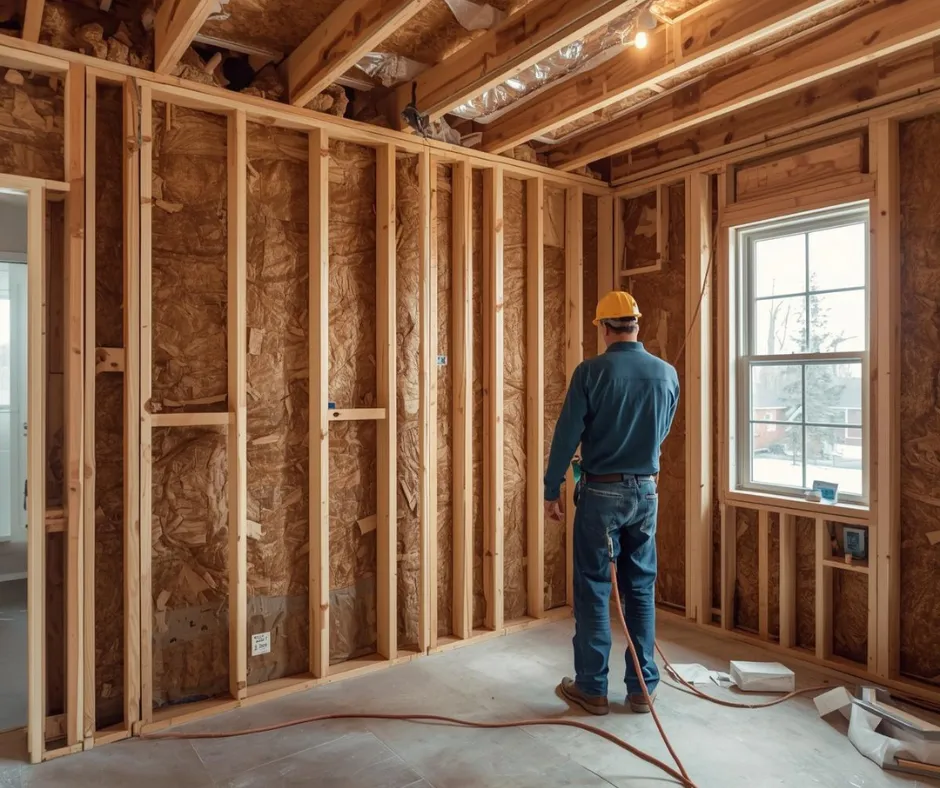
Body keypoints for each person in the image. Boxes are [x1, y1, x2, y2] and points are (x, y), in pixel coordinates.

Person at [544, 290, 679, 716]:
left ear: (604, 328)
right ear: (636, 325)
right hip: (646, 492)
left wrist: (552, 487)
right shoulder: (667, 374)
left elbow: (567, 435)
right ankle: (642, 689)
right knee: (639, 589)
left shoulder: (591, 373)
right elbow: (661, 431)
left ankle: (592, 688)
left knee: (594, 588)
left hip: (601, 493)